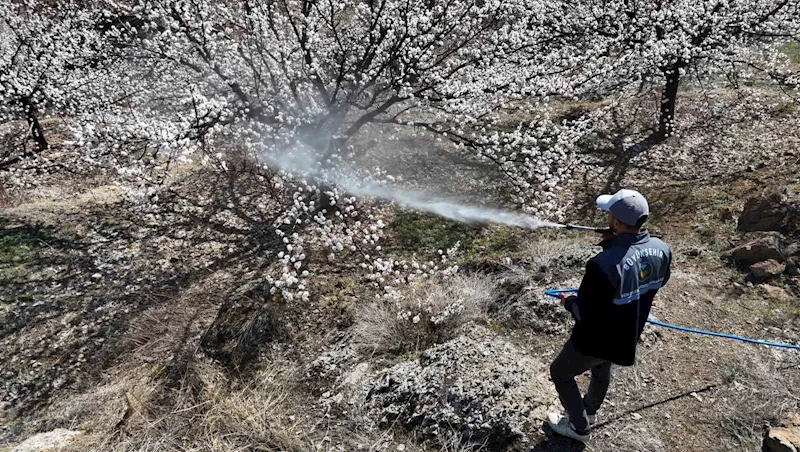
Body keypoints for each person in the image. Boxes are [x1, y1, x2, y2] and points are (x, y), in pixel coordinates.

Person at [546, 189, 672, 442]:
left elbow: (584, 312)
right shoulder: (662, 248)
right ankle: (590, 410)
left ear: (616, 222)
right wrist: (616, 244)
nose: (606, 217)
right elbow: (657, 280)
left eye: (609, 214)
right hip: (626, 332)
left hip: (594, 339)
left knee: (560, 372)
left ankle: (579, 427)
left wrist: (568, 301)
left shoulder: (601, 265)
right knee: (602, 367)